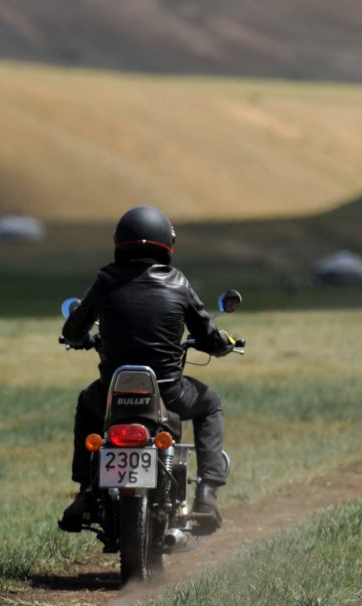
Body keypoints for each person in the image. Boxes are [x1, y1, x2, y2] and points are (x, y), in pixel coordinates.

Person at [58, 206, 237, 535]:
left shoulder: (106, 280)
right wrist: (221, 343)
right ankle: (207, 494)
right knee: (210, 401)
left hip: (114, 392)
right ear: (166, 245)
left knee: (87, 401)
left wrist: (79, 337)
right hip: (169, 393)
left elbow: (74, 329)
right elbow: (207, 333)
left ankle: (85, 491)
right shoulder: (178, 283)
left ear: (119, 242)